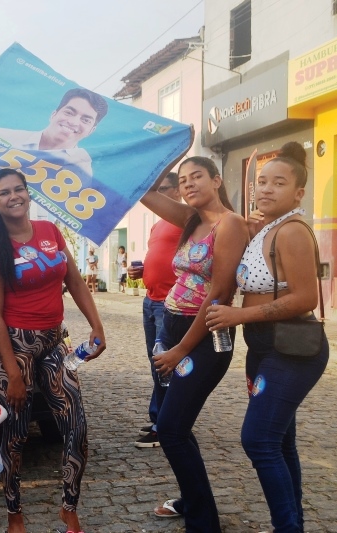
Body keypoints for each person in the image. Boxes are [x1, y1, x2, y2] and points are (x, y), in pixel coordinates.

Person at [206, 142, 329, 532]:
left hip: (291, 348)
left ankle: (287, 528)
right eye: (261, 181)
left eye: (279, 182)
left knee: (258, 440)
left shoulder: (292, 231)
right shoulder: (267, 228)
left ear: (298, 193)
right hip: (261, 347)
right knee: (280, 441)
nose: (266, 188)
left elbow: (306, 297)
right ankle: (294, 524)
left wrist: (239, 314)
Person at [0, 169, 106, 533]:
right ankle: (14, 513)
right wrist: (13, 375)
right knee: (15, 436)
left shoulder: (49, 231)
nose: (14, 196)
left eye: (19, 189)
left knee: (76, 426)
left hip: (53, 343)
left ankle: (69, 508)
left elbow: (75, 280)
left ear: (28, 194)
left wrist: (97, 325)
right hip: (13, 347)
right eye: (5, 192)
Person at [139, 156, 247, 531]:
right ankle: (192, 498)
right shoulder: (191, 221)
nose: (188, 184)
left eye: (196, 176)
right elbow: (146, 192)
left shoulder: (230, 225)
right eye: (182, 179)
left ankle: (204, 522)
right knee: (177, 426)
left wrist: (181, 349)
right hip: (172, 326)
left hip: (203, 337)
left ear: (217, 180)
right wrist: (168, 156)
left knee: (169, 428)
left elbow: (219, 292)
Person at [130, 172, 183, 449]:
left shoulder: (186, 220)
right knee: (156, 362)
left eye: (163, 189)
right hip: (150, 300)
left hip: (168, 302)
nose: (158, 196)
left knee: (164, 364)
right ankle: (158, 416)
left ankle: (166, 425)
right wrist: (142, 272)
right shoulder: (159, 224)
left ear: (177, 191)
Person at [0, 88, 109, 181]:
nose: (73, 122)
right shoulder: (0, 137)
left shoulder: (82, 171)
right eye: (69, 113)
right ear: (53, 115)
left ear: (91, 131)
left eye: (85, 120)